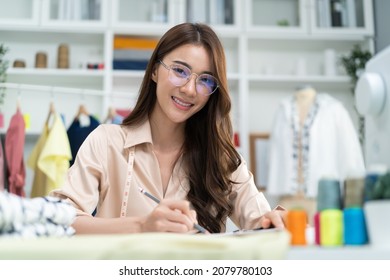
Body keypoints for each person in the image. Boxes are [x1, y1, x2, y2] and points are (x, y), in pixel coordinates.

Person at [51, 22, 286, 234]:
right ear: (154, 70)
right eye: (180, 71)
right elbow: (60, 220)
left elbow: (261, 221)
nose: (190, 89)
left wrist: (275, 220)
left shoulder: (222, 159)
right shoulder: (106, 141)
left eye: (205, 80)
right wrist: (142, 226)